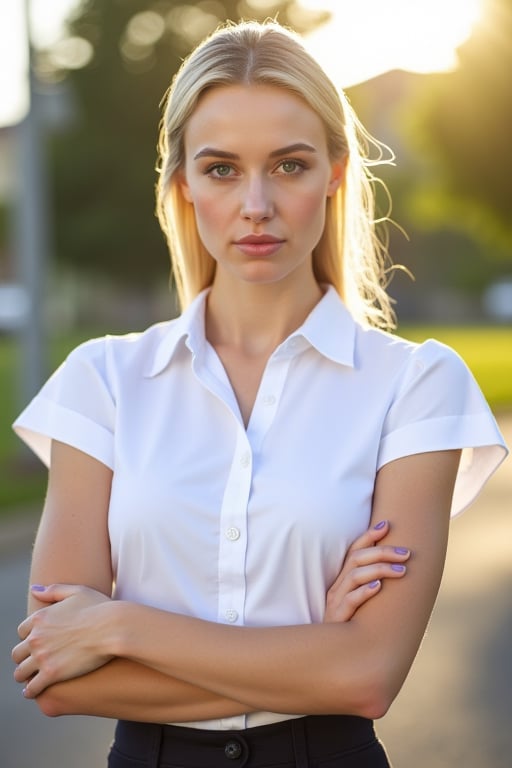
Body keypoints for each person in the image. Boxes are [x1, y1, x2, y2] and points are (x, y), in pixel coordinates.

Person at [11, 19, 507, 768]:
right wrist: (315, 656)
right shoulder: (102, 382)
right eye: (220, 169)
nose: (255, 205)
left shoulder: (417, 387)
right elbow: (56, 679)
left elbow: (369, 677)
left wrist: (118, 627)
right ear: (180, 179)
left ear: (336, 171)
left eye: (289, 165)